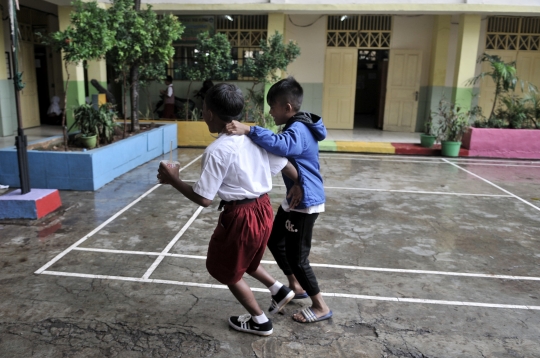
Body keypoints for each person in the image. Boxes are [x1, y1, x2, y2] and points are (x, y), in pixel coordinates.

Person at [157, 83, 301, 336]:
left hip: (241, 216)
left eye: (203, 109)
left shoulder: (217, 150)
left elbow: (204, 199)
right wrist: (297, 184)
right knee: (246, 258)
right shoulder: (255, 136)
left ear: (209, 113)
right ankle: (279, 289)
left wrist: (173, 180)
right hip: (264, 209)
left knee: (224, 269)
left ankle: (260, 321)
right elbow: (287, 165)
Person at [224, 76, 332, 324]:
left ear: (288, 108)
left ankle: (320, 306)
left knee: (298, 257)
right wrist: (295, 182)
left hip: (306, 201)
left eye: (272, 107)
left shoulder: (298, 129)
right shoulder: (297, 125)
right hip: (297, 194)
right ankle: (296, 285)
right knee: (274, 238)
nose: (270, 112)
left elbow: (282, 146)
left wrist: (249, 129)